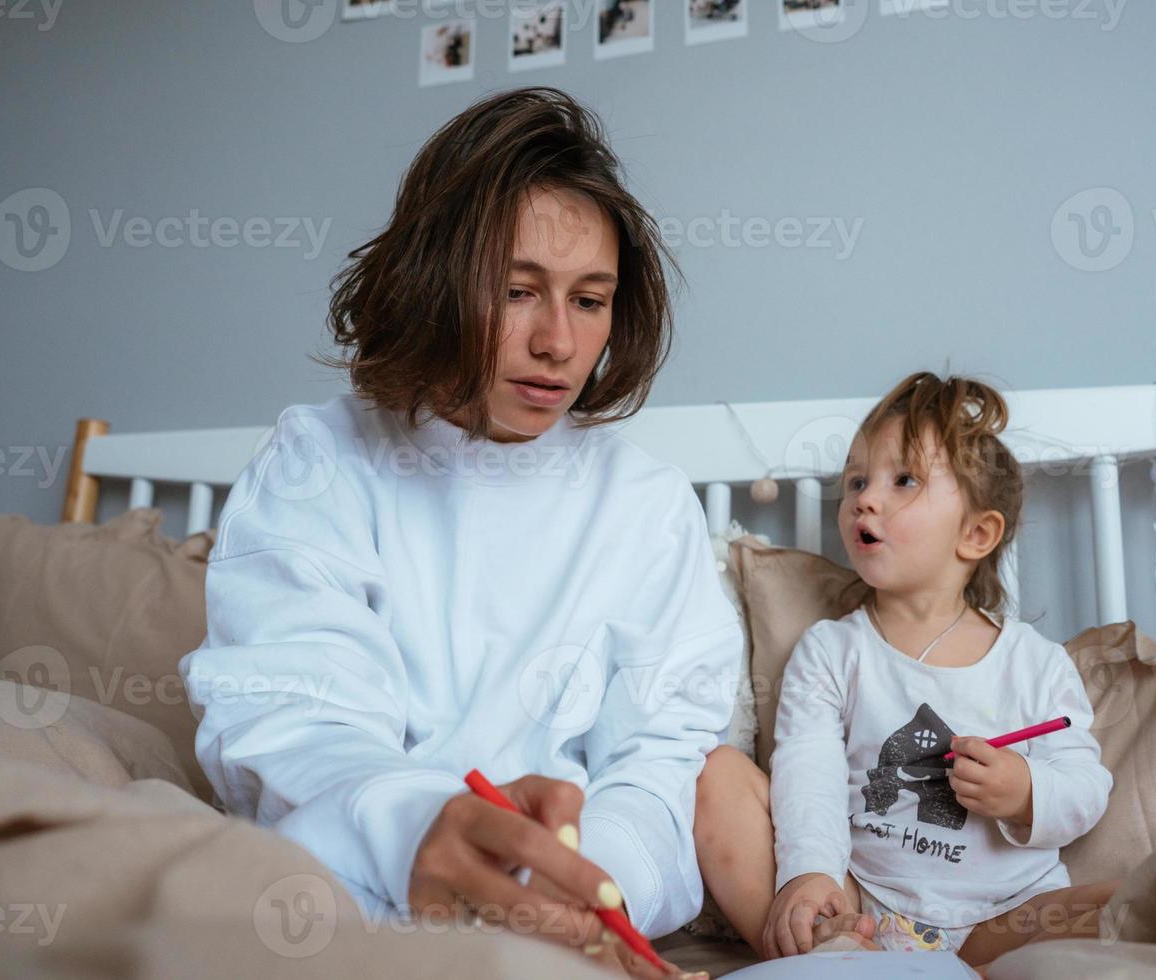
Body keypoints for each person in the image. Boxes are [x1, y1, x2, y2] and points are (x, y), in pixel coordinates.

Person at [179, 87, 739, 979]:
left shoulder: (646, 502)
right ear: (434, 283)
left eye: (590, 301)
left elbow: (661, 756)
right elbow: (290, 715)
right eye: (518, 292)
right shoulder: (321, 458)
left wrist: (595, 890)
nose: (558, 342)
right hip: (352, 902)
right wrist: (412, 830)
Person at [693, 373, 1121, 971]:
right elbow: (807, 772)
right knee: (715, 777)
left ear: (976, 533)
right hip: (859, 902)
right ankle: (834, 950)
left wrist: (1026, 790)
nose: (866, 498)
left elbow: (1085, 782)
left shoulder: (1035, 663)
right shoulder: (831, 650)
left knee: (1119, 905)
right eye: (857, 481)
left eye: (904, 481)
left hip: (1000, 915)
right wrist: (810, 874)